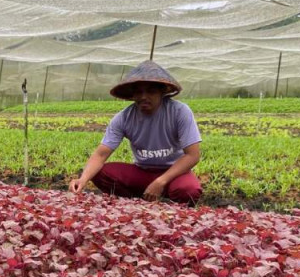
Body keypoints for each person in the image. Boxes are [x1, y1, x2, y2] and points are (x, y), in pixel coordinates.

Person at [68, 60, 202, 204]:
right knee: (100, 173)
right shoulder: (123, 118)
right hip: (142, 172)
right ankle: (137, 201)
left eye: (151, 91)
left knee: (189, 190)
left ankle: (168, 201)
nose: (144, 96)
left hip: (173, 173)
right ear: (132, 94)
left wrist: (161, 181)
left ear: (162, 92)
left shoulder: (179, 112)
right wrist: (82, 179)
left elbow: (193, 155)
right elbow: (101, 154)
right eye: (139, 92)